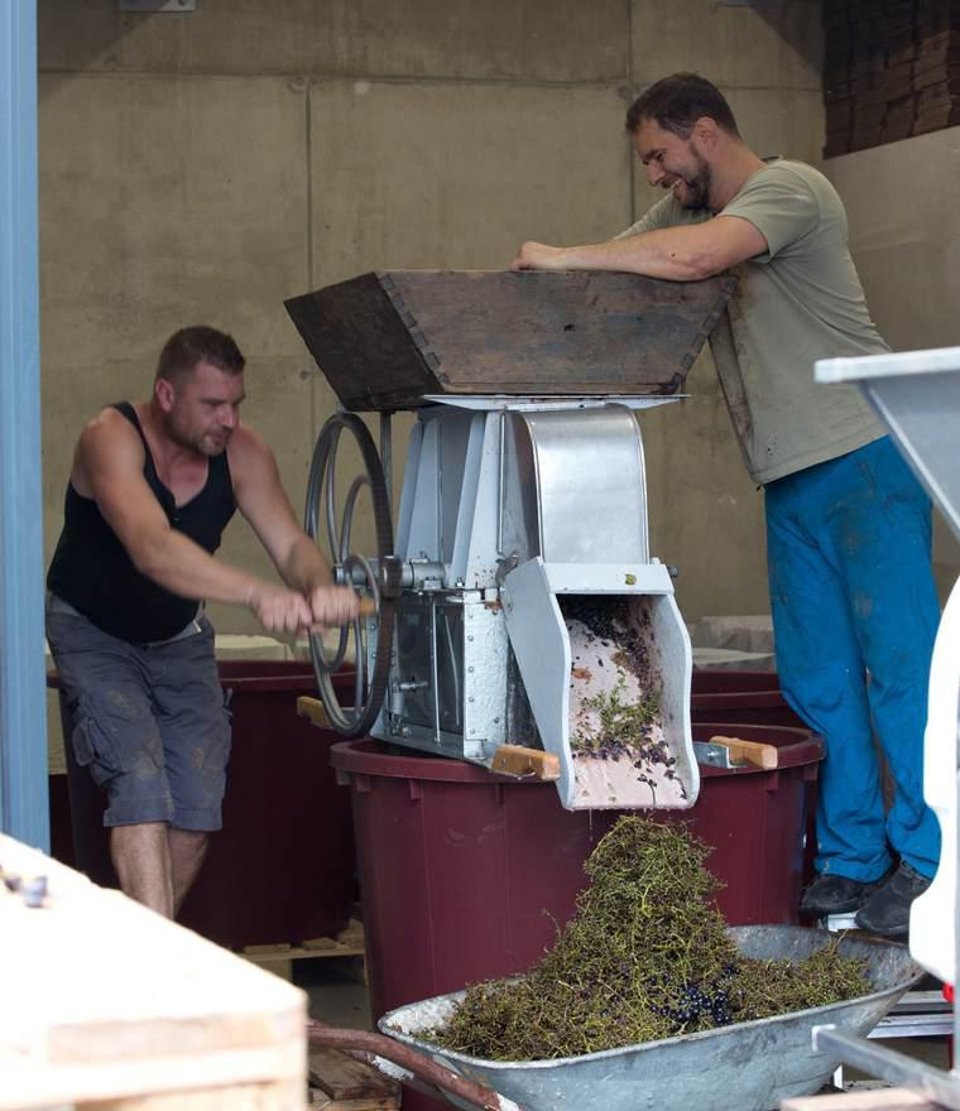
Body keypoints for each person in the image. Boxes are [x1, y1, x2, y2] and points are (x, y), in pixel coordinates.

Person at [512, 73, 941, 939]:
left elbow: (694, 259)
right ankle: (854, 856)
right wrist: (546, 282)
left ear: (705, 133)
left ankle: (931, 863)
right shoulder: (687, 211)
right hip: (788, 475)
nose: (656, 176)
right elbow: (629, 260)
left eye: (659, 156)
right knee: (819, 679)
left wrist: (558, 256)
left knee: (903, 673)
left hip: (865, 457)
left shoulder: (793, 189)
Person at [46, 325, 359, 919]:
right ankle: (156, 966)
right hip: (93, 633)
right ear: (166, 395)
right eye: (213, 404)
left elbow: (292, 545)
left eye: (236, 403)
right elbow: (152, 550)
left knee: (197, 804)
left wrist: (319, 586)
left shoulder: (243, 453)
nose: (229, 420)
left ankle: (139, 951)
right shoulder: (109, 436)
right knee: (140, 784)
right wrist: (257, 595)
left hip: (178, 637)